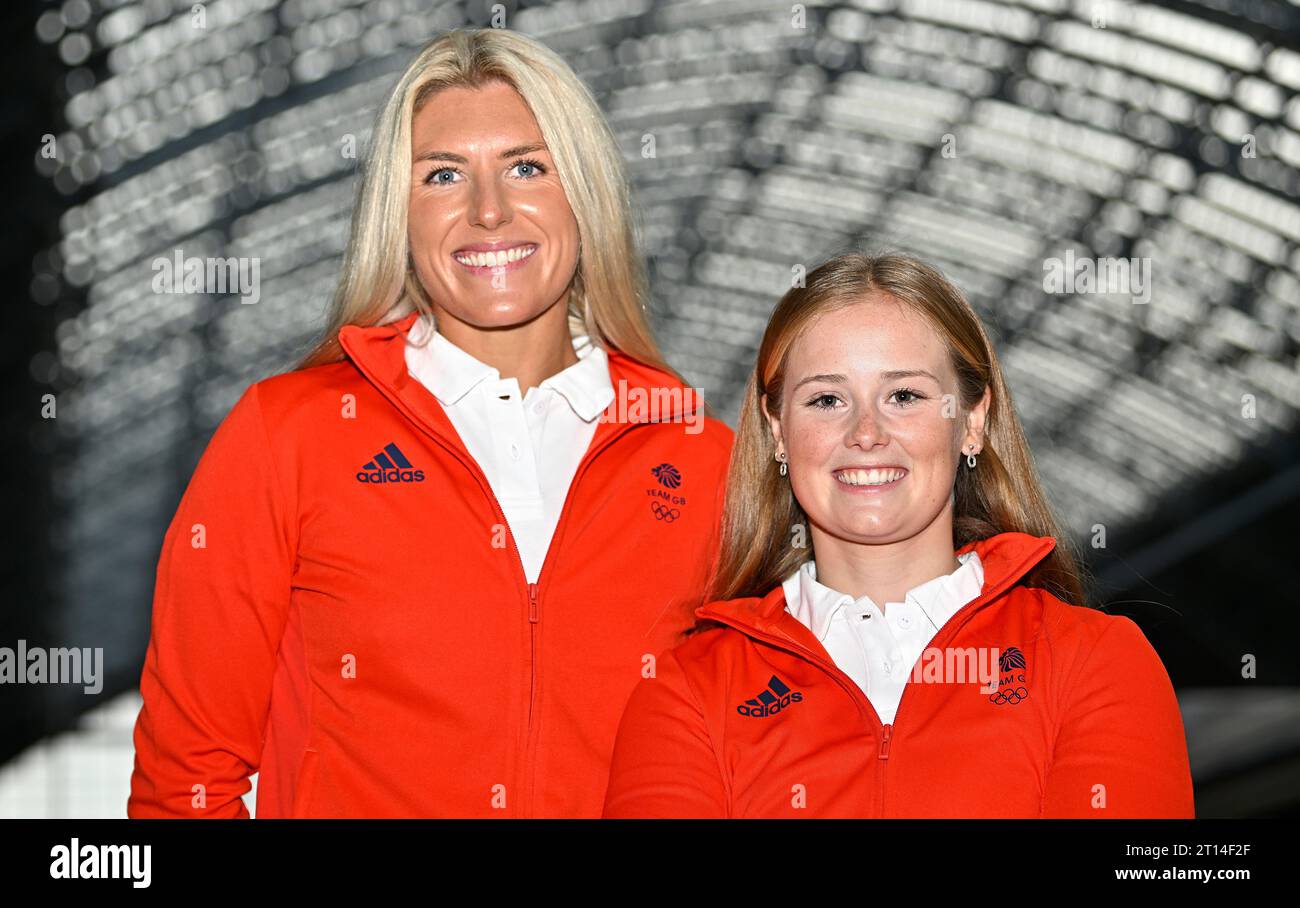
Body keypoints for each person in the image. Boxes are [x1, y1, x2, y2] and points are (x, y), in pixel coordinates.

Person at [128, 28, 732, 818]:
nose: (489, 211)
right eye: (443, 175)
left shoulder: (705, 463)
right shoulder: (288, 437)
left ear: (584, 197)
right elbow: (185, 783)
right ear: (399, 216)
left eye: (527, 167)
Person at [603, 252, 1195, 818]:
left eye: (904, 395)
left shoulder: (1091, 661)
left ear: (972, 420)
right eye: (827, 399)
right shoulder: (686, 694)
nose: (866, 432)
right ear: (778, 429)